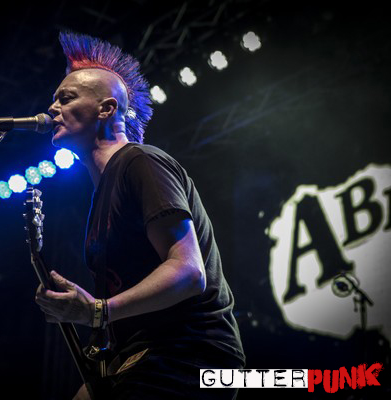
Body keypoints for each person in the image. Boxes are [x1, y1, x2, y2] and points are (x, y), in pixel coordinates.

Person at [35, 31, 245, 399]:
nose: (53, 108)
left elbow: (189, 272)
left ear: (107, 109)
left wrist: (97, 311)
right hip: (142, 357)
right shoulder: (103, 191)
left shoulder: (140, 161)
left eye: (66, 98)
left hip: (189, 356)